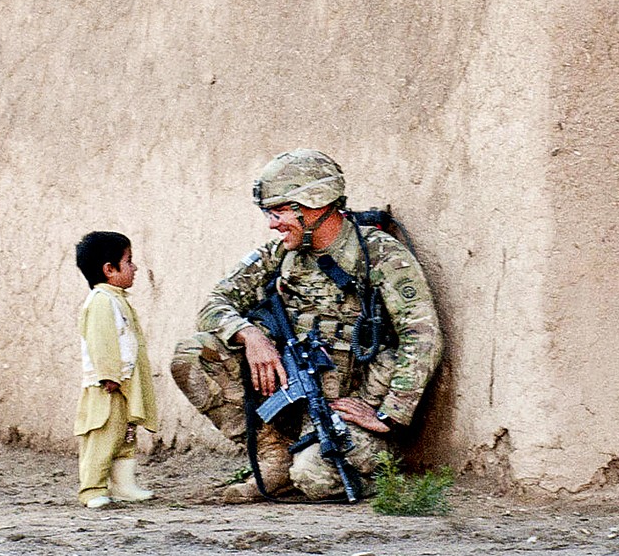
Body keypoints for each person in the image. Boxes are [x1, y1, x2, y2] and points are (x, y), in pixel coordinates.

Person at [171, 149, 443, 501]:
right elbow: (215, 304)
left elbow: (422, 337)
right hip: (293, 390)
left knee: (314, 478)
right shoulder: (279, 254)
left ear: (313, 204)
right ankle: (275, 458)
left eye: (279, 211)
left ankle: (376, 472)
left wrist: (390, 413)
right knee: (194, 354)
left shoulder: (379, 255)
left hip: (349, 399)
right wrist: (251, 335)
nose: (272, 223)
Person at [73, 230, 156, 509]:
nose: (134, 267)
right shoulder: (100, 301)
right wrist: (108, 375)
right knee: (103, 435)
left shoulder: (117, 298)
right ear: (109, 269)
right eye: (129, 261)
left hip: (124, 383)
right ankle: (92, 489)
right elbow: (102, 341)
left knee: (125, 434)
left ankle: (124, 486)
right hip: (106, 387)